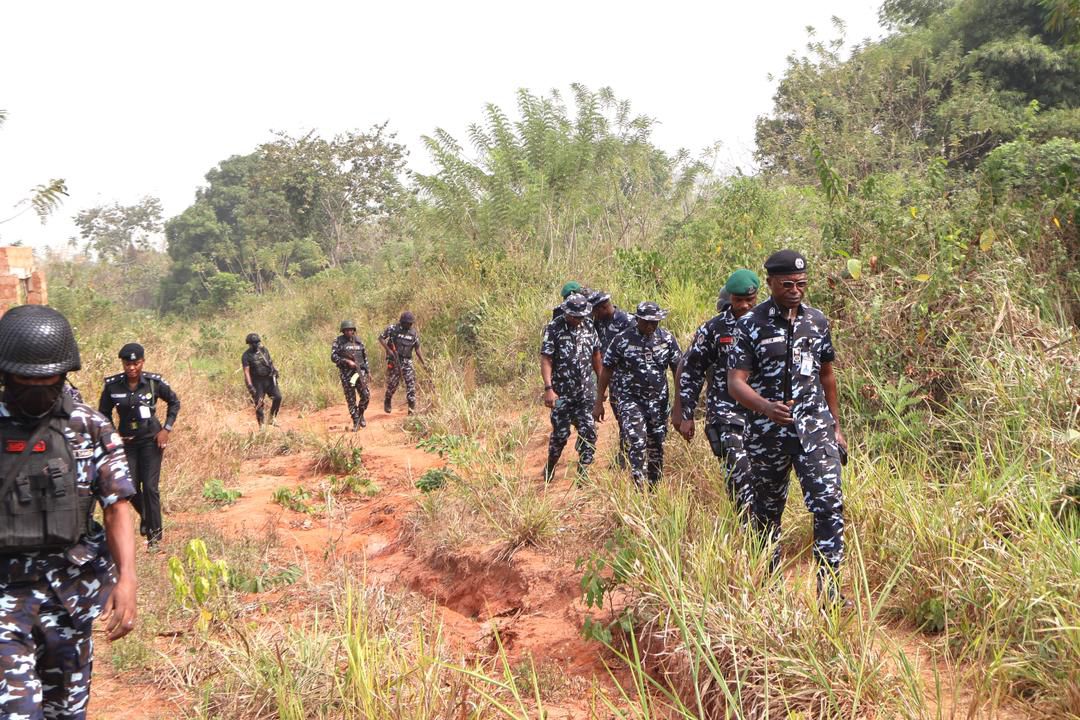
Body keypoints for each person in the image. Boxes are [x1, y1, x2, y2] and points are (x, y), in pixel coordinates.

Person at [0, 305, 137, 720]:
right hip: (5, 596)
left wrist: (127, 578)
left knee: (67, 713)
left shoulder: (90, 428)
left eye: (49, 380)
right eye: (26, 380)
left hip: (70, 596)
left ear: (64, 374)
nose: (38, 389)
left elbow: (118, 507)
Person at [727, 249, 848, 605]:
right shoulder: (750, 324)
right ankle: (769, 588)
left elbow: (827, 375)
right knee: (766, 515)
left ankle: (830, 592)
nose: (796, 290)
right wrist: (765, 407)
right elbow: (736, 382)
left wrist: (836, 426)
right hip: (768, 436)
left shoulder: (817, 322)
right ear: (771, 283)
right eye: (788, 284)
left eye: (802, 284)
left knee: (829, 505)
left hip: (815, 431)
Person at [673, 269, 760, 516]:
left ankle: (753, 527)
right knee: (740, 473)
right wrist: (685, 412)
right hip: (726, 414)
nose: (743, 306)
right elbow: (691, 369)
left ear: (757, 296)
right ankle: (752, 535)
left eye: (749, 300)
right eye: (737, 300)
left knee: (759, 479)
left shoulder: (770, 322)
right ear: (729, 298)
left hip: (764, 414)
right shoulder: (714, 329)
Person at [98, 342, 180, 550]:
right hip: (127, 443)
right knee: (130, 488)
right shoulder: (113, 386)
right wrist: (113, 434)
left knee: (150, 488)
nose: (131, 368)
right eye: (127, 364)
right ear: (123, 364)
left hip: (152, 441)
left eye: (135, 363)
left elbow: (174, 402)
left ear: (142, 362)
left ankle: (154, 537)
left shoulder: (153, 382)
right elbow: (103, 413)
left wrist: (166, 429)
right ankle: (147, 517)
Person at [594, 301, 681, 489]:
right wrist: (599, 401)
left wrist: (680, 403)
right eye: (646, 322)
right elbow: (607, 369)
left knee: (656, 444)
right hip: (630, 400)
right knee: (636, 440)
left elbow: (677, 369)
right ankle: (639, 487)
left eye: (655, 322)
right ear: (638, 319)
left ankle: (654, 487)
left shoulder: (666, 339)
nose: (650, 325)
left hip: (658, 402)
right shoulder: (623, 339)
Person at [540, 293, 602, 482]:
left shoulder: (589, 326)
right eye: (575, 316)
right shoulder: (554, 328)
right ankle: (550, 465)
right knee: (560, 435)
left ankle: (583, 473)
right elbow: (546, 359)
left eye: (581, 316)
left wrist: (601, 385)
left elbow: (596, 355)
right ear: (567, 313)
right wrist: (549, 388)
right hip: (562, 393)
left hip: (585, 393)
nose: (578, 320)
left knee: (589, 432)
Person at [588, 289, 633, 467]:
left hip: (630, 380)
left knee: (630, 418)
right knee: (622, 419)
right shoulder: (598, 323)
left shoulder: (628, 321)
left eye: (595, 311)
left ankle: (628, 457)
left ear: (603, 308)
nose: (593, 315)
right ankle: (625, 454)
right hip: (613, 381)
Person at [378, 311, 427, 415]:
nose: (409, 325)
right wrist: (389, 350)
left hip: (407, 362)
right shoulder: (392, 329)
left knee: (411, 385)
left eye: (411, 323)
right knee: (392, 385)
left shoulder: (413, 333)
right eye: (407, 323)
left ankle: (411, 411)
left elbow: (417, 349)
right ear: (402, 322)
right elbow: (381, 338)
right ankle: (387, 400)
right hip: (394, 361)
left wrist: (424, 363)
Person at [331, 320, 369, 431]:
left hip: (359, 374)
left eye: (351, 330)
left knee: (366, 395)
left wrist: (368, 371)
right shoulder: (338, 341)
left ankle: (360, 414)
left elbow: (365, 358)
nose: (349, 332)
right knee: (351, 398)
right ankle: (356, 420)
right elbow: (333, 357)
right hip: (347, 375)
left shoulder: (359, 341)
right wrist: (346, 361)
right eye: (347, 330)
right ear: (343, 331)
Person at [242, 333, 282, 427]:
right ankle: (261, 426)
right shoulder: (246, 356)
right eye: (253, 343)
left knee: (278, 397)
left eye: (257, 342)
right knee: (259, 404)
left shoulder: (264, 350)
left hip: (269, 379)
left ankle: (272, 418)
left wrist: (275, 370)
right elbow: (246, 372)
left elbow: (270, 362)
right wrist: (250, 386)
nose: (256, 345)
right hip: (257, 382)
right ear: (249, 344)